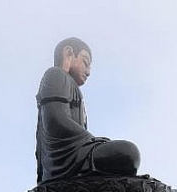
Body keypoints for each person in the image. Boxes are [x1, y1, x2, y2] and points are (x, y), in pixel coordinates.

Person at [35, 37, 140, 183]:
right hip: (65, 161)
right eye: (85, 63)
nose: (88, 72)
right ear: (68, 54)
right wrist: (93, 141)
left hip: (78, 156)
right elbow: (56, 120)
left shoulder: (72, 87)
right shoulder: (56, 75)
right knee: (129, 152)